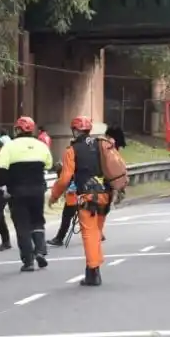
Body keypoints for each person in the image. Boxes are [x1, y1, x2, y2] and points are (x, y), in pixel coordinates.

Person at [50, 115, 117, 286]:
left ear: (75, 131)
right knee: (96, 233)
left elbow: (65, 179)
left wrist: (54, 195)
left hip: (88, 197)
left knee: (90, 235)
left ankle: (93, 273)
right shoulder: (101, 145)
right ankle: (93, 269)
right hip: (105, 196)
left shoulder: (72, 150)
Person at [0, 116, 53, 272]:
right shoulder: (41, 146)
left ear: (17, 130)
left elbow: (1, 168)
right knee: (37, 221)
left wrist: (3, 185)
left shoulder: (9, 146)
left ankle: (28, 261)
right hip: (37, 190)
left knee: (22, 225)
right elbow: (48, 164)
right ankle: (40, 250)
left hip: (17, 191)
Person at [48, 179, 79, 247]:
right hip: (84, 196)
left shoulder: (66, 173)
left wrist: (53, 198)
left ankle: (59, 238)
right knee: (87, 217)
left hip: (72, 198)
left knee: (66, 218)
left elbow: (61, 184)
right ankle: (98, 234)